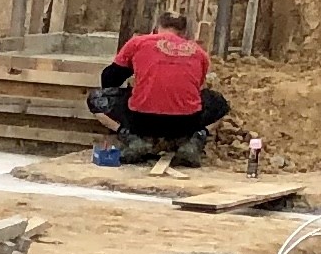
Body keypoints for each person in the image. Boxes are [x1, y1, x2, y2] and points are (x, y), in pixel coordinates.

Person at [94, 11, 229, 168]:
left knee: (96, 99)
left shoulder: (138, 43)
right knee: (221, 105)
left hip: (142, 121)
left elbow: (110, 78)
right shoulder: (199, 52)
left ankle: (132, 138)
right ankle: (194, 141)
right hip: (185, 124)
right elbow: (196, 88)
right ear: (184, 32)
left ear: (157, 27)